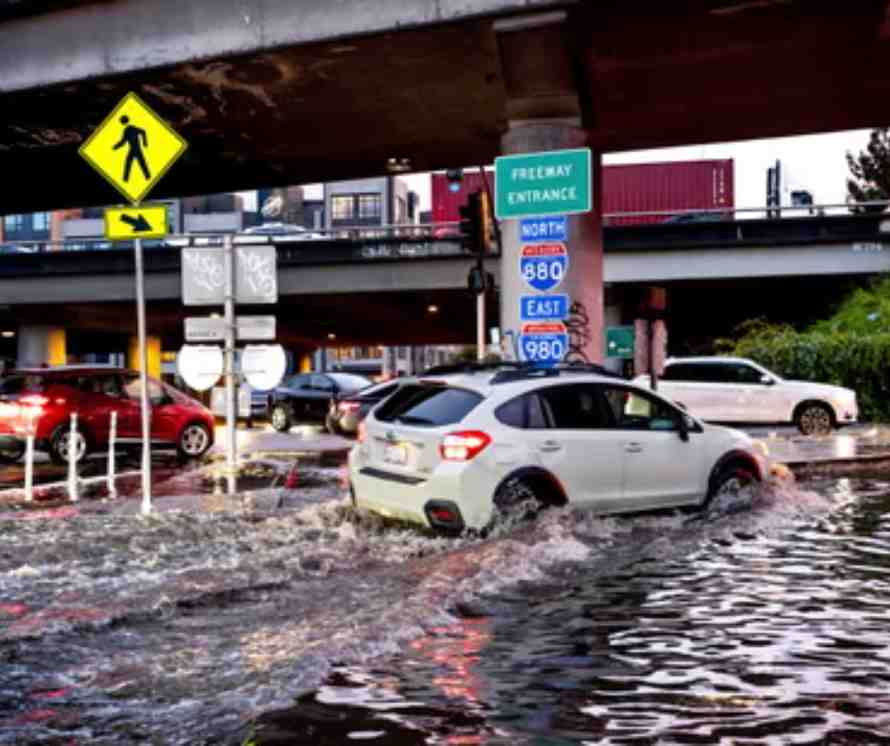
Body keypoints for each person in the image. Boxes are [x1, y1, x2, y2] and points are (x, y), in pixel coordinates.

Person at [112, 115, 150, 182]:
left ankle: (126, 179)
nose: (120, 122)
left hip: (135, 149)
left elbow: (123, 141)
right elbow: (143, 132)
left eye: (121, 121)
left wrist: (145, 142)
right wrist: (116, 147)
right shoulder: (129, 129)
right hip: (134, 149)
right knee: (135, 163)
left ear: (123, 121)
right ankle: (126, 179)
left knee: (137, 163)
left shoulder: (129, 129)